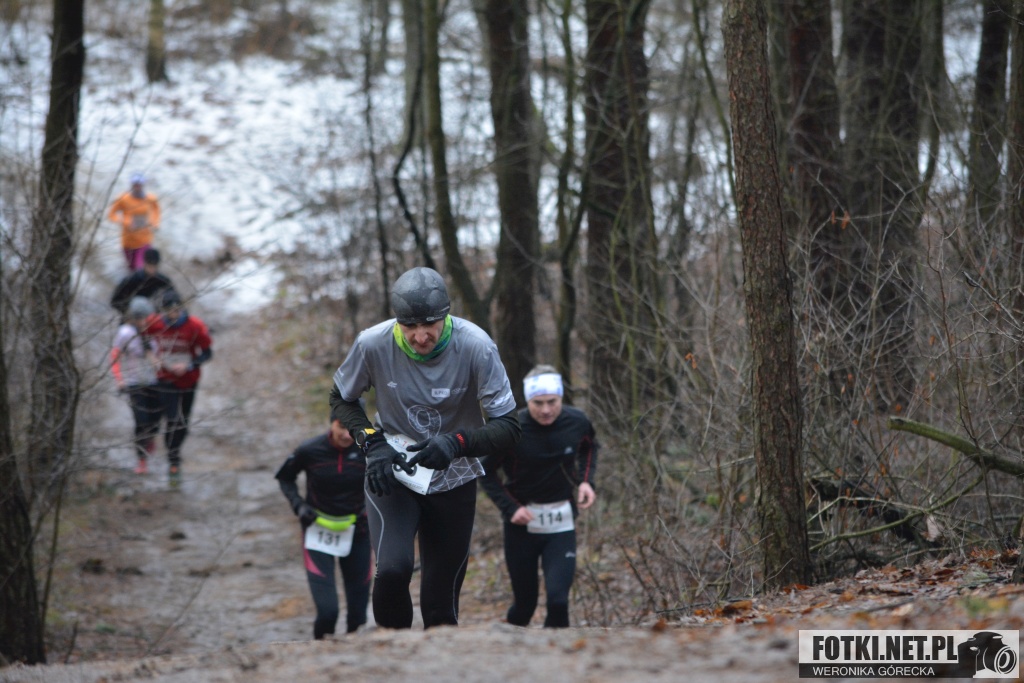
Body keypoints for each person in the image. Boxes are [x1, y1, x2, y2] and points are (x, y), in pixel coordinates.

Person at [328, 266, 521, 630]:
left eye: (429, 324)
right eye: (409, 325)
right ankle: (394, 653)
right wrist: (372, 441)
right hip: (393, 472)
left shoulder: (476, 346)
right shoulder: (372, 343)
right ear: (397, 322)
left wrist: (457, 443)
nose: (420, 336)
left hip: (454, 477)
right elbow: (341, 398)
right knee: (392, 570)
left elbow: (509, 426)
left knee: (440, 606)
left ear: (445, 316)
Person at [480, 365, 598, 628]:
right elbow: (485, 472)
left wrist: (586, 483)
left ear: (561, 398)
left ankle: (557, 652)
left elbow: (590, 448)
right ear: (528, 401)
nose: (546, 410)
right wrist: (511, 509)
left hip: (561, 523)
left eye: (552, 402)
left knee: (558, 601)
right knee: (525, 606)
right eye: (538, 403)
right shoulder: (511, 429)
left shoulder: (577, 421)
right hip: (522, 526)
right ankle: (508, 647)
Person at [275, 418, 371, 639]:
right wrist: (299, 506)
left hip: (358, 531)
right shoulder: (310, 449)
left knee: (358, 618)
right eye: (342, 427)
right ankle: (319, 655)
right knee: (328, 613)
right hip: (317, 531)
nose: (347, 435)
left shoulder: (371, 449)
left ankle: (354, 658)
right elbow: (284, 478)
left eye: (353, 429)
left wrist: (370, 509)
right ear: (332, 423)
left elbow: (390, 482)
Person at [146, 289, 213, 487]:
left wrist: (189, 365)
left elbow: (207, 353)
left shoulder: (194, 326)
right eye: (169, 311)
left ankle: (174, 452)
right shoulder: (154, 323)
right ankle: (173, 460)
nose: (173, 314)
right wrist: (153, 358)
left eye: (176, 310)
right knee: (172, 419)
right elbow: (141, 339)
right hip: (165, 379)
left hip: (189, 379)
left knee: (183, 422)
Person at [110, 296, 161, 475]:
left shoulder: (156, 331)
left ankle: (151, 437)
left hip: (155, 381)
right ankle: (141, 460)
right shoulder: (125, 333)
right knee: (141, 421)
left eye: (145, 317)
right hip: (134, 383)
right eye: (138, 318)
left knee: (155, 419)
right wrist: (119, 379)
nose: (142, 321)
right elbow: (115, 356)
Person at [108, 172, 161, 271]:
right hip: (128, 240)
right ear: (131, 185)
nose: (137, 187)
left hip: (144, 238)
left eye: (139, 185)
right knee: (132, 268)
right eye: (135, 185)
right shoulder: (123, 198)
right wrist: (125, 221)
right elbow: (111, 215)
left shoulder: (150, 198)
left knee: (139, 267)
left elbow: (156, 210)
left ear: (143, 185)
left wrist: (155, 223)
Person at [110, 247, 178, 315]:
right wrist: (127, 313)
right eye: (150, 266)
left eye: (154, 266)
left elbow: (175, 298)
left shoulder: (162, 280)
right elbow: (115, 301)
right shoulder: (132, 279)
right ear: (144, 264)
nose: (152, 270)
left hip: (156, 316)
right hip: (134, 315)